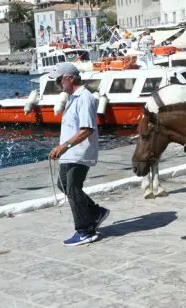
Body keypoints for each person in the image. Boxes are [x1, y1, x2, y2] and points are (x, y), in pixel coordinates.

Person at [48, 63, 109, 246]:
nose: (58, 84)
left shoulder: (84, 98)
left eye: (59, 80)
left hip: (79, 152)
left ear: (70, 78)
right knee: (64, 184)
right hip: (70, 152)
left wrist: (65, 146)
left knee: (73, 188)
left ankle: (85, 231)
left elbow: (86, 129)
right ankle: (95, 212)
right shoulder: (73, 98)